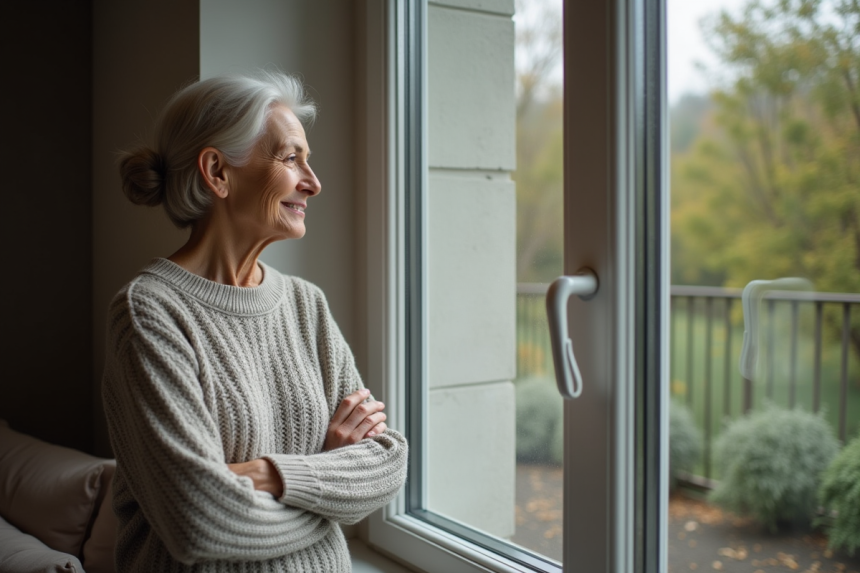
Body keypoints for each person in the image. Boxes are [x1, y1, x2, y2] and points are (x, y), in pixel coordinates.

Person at [102, 71, 408, 572]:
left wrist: (267, 476)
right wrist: (328, 488)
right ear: (217, 171)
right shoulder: (149, 313)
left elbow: (387, 462)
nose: (314, 182)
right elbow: (199, 521)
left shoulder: (304, 303)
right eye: (291, 158)